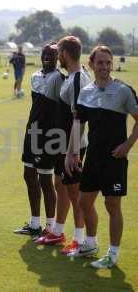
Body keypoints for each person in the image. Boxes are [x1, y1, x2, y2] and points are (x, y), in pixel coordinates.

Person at [65, 45, 138, 268]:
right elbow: (78, 125)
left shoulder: (124, 91)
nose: (105, 67)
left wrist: (127, 145)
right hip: (93, 157)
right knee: (84, 201)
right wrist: (71, 154)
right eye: (100, 63)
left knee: (112, 205)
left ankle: (112, 254)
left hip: (114, 159)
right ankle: (90, 244)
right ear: (92, 64)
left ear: (112, 64)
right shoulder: (85, 92)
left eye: (108, 62)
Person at [35, 36, 90, 255]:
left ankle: (79, 239)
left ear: (65, 54)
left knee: (75, 192)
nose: (57, 58)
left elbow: (80, 119)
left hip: (71, 147)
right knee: (61, 185)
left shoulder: (77, 80)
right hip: (63, 144)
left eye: (59, 54)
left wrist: (73, 152)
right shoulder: (73, 76)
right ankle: (57, 231)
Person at [14, 42, 64, 238]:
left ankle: (50, 227)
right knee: (28, 175)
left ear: (58, 58)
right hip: (32, 132)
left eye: (52, 55)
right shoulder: (34, 77)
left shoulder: (59, 78)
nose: (47, 57)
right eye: (45, 53)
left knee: (45, 179)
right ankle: (35, 224)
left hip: (49, 136)